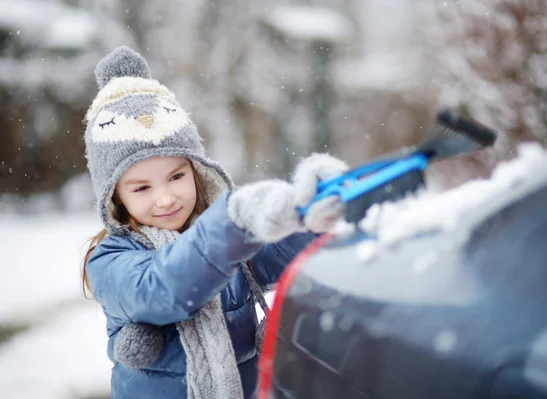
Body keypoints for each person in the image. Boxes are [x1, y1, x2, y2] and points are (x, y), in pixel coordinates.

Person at [81, 46, 349, 399]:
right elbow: (164, 287)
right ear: (116, 195)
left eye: (176, 176)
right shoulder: (110, 259)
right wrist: (232, 223)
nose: (165, 198)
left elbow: (284, 251)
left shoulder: (221, 237)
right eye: (142, 187)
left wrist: (309, 208)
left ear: (197, 172)